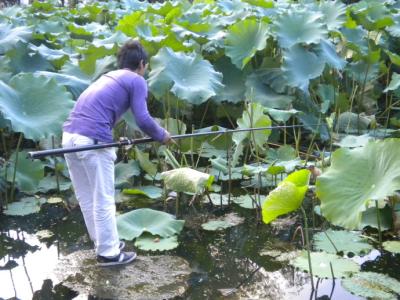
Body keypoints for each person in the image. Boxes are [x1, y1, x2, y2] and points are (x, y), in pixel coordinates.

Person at [62, 40, 171, 267]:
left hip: (69, 138)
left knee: (86, 197)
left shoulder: (108, 77)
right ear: (141, 64)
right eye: (146, 66)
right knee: (103, 199)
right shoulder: (136, 80)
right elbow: (142, 119)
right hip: (92, 140)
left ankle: (102, 244)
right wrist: (162, 135)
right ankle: (109, 254)